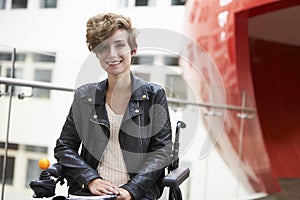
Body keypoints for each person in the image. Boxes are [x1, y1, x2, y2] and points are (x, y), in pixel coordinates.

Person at [54, 13, 172, 200]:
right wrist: (91, 179)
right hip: (91, 193)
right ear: (97, 54)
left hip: (137, 194)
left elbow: (162, 152)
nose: (112, 54)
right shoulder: (84, 96)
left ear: (133, 49)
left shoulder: (153, 95)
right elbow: (64, 147)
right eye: (103, 47)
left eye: (119, 45)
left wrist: (131, 190)